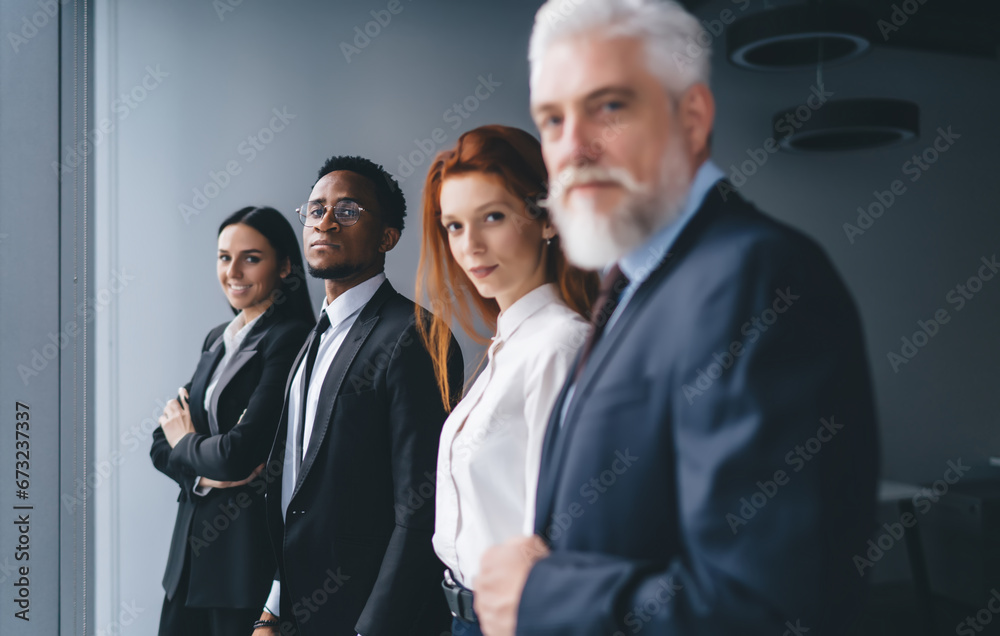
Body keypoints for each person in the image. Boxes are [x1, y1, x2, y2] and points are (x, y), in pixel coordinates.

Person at [473, 1, 881, 635]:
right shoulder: (633, 282)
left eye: (608, 106)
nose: (573, 146)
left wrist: (544, 597)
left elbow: (770, 608)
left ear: (691, 118)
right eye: (552, 119)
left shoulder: (758, 276)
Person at [253, 156, 464, 636]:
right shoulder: (314, 336)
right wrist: (272, 609)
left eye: (348, 211)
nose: (325, 221)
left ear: (387, 237)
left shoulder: (414, 336)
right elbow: (297, 491)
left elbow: (421, 509)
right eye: (315, 209)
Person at [415, 125, 597, 636]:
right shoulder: (509, 346)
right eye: (453, 226)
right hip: (463, 615)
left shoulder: (558, 347)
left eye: (491, 217)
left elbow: (558, 536)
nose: (469, 246)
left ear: (546, 219)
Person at [150, 205, 313, 636]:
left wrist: (189, 444)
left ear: (285, 266)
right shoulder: (216, 339)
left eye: (251, 257)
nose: (234, 271)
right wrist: (206, 477)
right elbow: (158, 443)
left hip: (241, 569)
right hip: (185, 568)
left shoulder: (291, 337)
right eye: (224, 257)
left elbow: (238, 454)